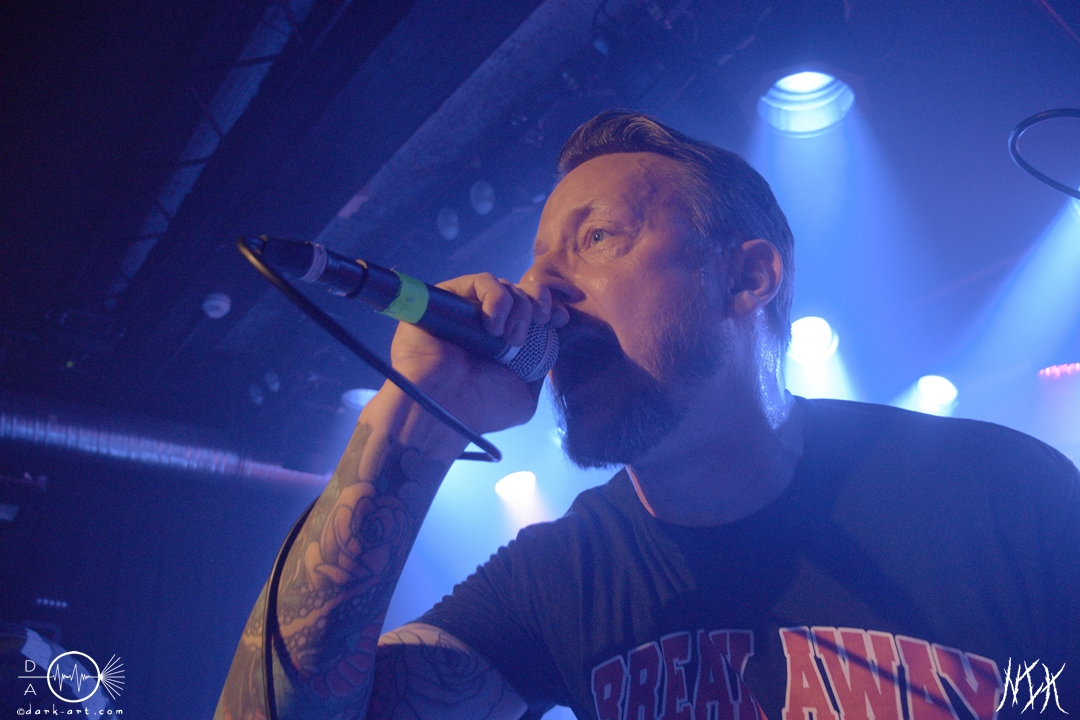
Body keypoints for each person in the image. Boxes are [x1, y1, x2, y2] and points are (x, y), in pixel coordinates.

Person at [216, 111, 1080, 720]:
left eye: (596, 238)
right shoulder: (560, 579)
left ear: (747, 278)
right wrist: (417, 416)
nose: (537, 290)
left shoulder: (1001, 491)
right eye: (536, 260)